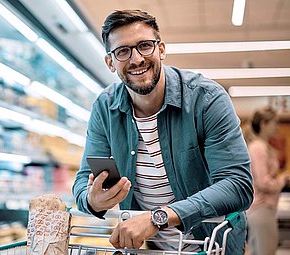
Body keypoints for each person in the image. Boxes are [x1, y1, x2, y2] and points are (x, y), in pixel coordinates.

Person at [72, 9, 253, 254]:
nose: (136, 59)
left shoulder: (206, 99)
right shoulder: (106, 108)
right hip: (152, 248)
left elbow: (238, 184)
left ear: (162, 49)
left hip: (212, 244)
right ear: (110, 62)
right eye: (123, 51)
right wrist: (92, 201)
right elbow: (83, 182)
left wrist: (158, 217)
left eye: (145, 46)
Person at [245, 107, 290, 255]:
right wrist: (282, 180)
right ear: (264, 124)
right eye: (274, 123)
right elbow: (263, 182)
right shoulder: (259, 147)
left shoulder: (261, 146)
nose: (277, 126)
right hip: (262, 208)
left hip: (261, 209)